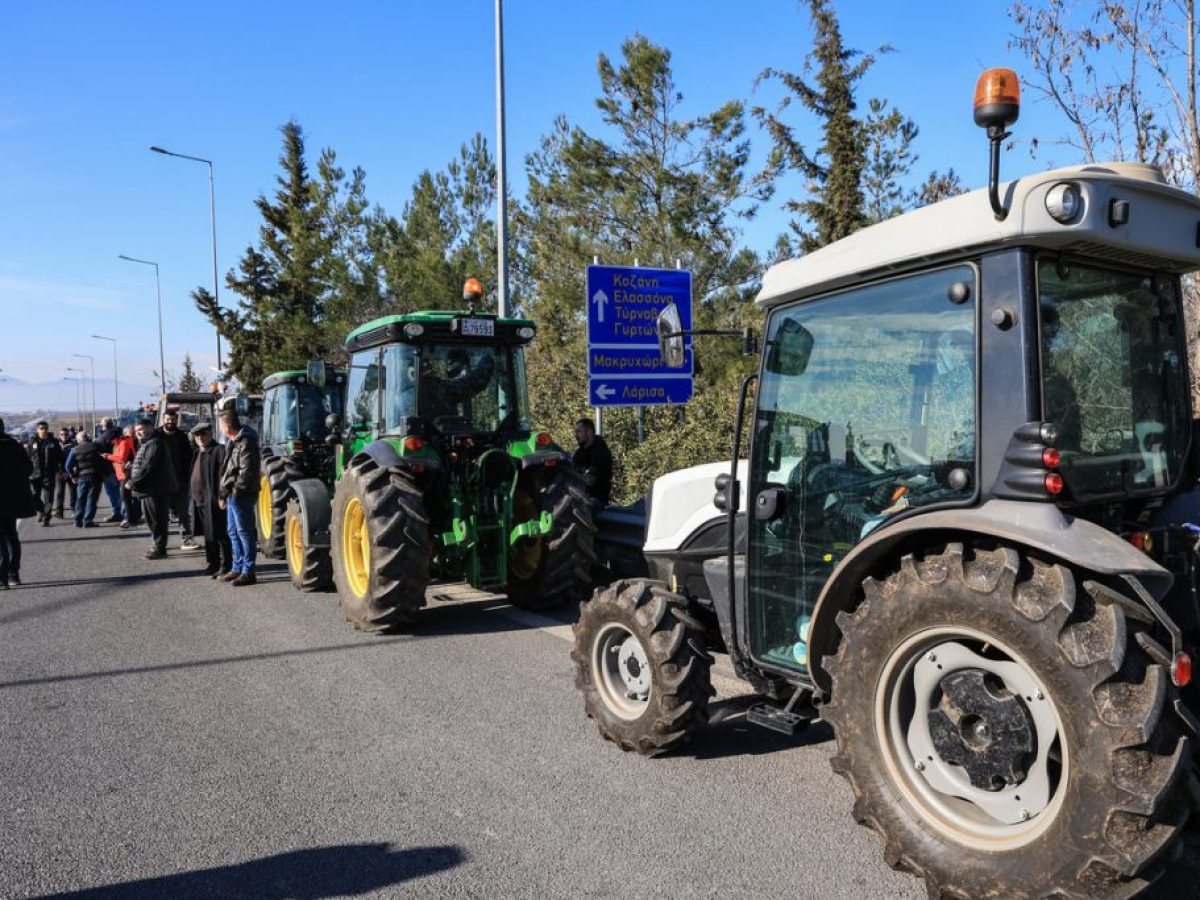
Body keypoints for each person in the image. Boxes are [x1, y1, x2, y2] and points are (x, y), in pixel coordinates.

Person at [218, 409, 260, 586]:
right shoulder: (233, 441)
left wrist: (235, 491)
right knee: (233, 532)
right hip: (231, 494)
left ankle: (248, 571)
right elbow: (229, 468)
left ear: (226, 425)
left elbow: (246, 470)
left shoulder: (246, 441)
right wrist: (224, 493)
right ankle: (236, 568)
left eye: (220, 424)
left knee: (244, 532)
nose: (219, 428)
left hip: (240, 495)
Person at [127, 419, 177, 559]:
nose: (139, 433)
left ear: (151, 428)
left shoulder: (154, 443)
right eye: (137, 431)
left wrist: (133, 481)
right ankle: (158, 546)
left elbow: (149, 466)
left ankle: (159, 548)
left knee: (156, 520)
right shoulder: (147, 444)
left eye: (142, 429)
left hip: (155, 489)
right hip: (150, 489)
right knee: (153, 519)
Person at [189, 423, 232, 577]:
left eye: (204, 434)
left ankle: (226, 565)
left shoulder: (219, 450)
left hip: (214, 500)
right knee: (209, 534)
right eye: (197, 435)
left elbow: (225, 476)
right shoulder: (197, 452)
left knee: (221, 534)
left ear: (211, 433)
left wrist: (223, 495)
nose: (201, 438)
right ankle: (212, 563)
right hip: (200, 501)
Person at [0, 418, 34, 588]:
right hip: (13, 500)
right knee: (12, 536)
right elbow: (29, 469)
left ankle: (2, 577)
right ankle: (14, 574)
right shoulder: (15, 445)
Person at [158, 411, 198, 550]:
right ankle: (159, 543)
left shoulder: (182, 437)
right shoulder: (157, 436)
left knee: (183, 511)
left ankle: (186, 539)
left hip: (180, 481)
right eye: (168, 419)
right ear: (163, 420)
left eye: (173, 419)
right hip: (161, 482)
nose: (171, 422)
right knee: (161, 514)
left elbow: (189, 457)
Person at [27, 421, 64, 527]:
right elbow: (27, 457)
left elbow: (60, 457)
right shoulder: (32, 442)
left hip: (49, 474)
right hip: (35, 474)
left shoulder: (53, 442)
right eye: (41, 428)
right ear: (37, 430)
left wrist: (61, 470)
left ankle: (46, 519)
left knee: (49, 497)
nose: (44, 430)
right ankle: (43, 511)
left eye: (45, 428)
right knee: (33, 496)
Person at [103, 424, 139, 529]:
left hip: (126, 473)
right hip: (122, 473)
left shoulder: (123, 442)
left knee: (126, 497)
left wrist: (108, 456)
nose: (110, 442)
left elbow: (121, 458)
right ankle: (131, 519)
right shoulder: (118, 443)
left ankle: (130, 519)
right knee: (127, 497)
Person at [65, 431, 103, 528]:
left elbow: (68, 465)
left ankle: (77, 521)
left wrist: (73, 476)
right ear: (88, 437)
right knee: (92, 499)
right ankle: (88, 520)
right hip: (95, 476)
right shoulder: (96, 446)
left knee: (80, 499)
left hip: (82, 476)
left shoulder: (74, 449)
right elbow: (103, 460)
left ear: (78, 440)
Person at [572, 418, 613, 506]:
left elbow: (591, 480)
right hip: (579, 497)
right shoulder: (578, 453)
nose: (576, 435)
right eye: (575, 432)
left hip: (596, 500)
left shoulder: (601, 452)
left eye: (579, 431)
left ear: (589, 431)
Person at [95, 416, 125, 524]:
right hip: (122, 467)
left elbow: (99, 456)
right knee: (123, 492)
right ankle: (126, 513)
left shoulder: (101, 439)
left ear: (103, 425)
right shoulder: (121, 435)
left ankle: (117, 513)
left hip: (108, 468)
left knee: (112, 492)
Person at [53, 427, 76, 519]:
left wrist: (76, 467)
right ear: (59, 435)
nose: (64, 436)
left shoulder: (73, 443)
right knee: (60, 493)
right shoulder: (55, 444)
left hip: (70, 471)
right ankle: (59, 511)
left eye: (66, 434)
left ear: (69, 435)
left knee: (73, 492)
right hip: (60, 471)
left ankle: (74, 510)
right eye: (62, 434)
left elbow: (77, 456)